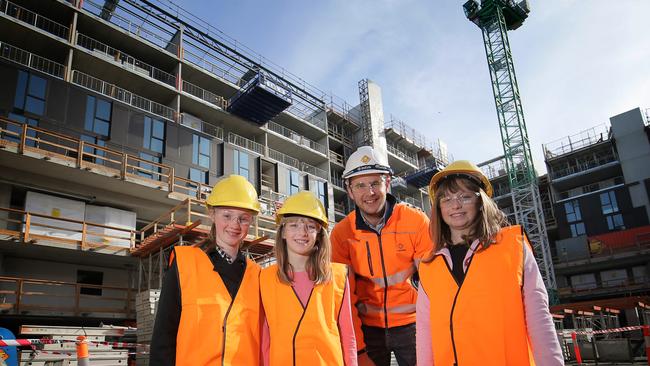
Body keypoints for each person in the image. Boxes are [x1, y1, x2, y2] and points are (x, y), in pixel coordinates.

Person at [416, 160, 564, 365]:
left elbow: (539, 320)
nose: (455, 205)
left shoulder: (513, 248)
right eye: (446, 199)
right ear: (438, 208)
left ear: (481, 201)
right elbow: (425, 331)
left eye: (465, 196)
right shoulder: (429, 265)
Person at [330, 146, 432, 366]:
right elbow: (342, 296)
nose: (370, 193)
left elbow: (433, 282)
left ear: (387, 183)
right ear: (349, 190)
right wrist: (357, 347)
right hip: (367, 329)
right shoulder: (341, 234)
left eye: (376, 183)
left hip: (413, 325)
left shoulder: (416, 221)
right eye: (360, 185)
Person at [149, 175, 263, 366]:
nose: (235, 225)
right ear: (212, 214)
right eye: (227, 215)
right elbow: (163, 338)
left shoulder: (258, 275)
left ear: (250, 221)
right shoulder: (184, 264)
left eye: (243, 218)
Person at [260, 191, 357, 366]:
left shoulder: (338, 276)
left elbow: (347, 334)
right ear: (282, 232)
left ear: (320, 235)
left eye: (311, 226)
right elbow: (265, 338)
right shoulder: (265, 278)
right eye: (294, 225)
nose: (302, 232)